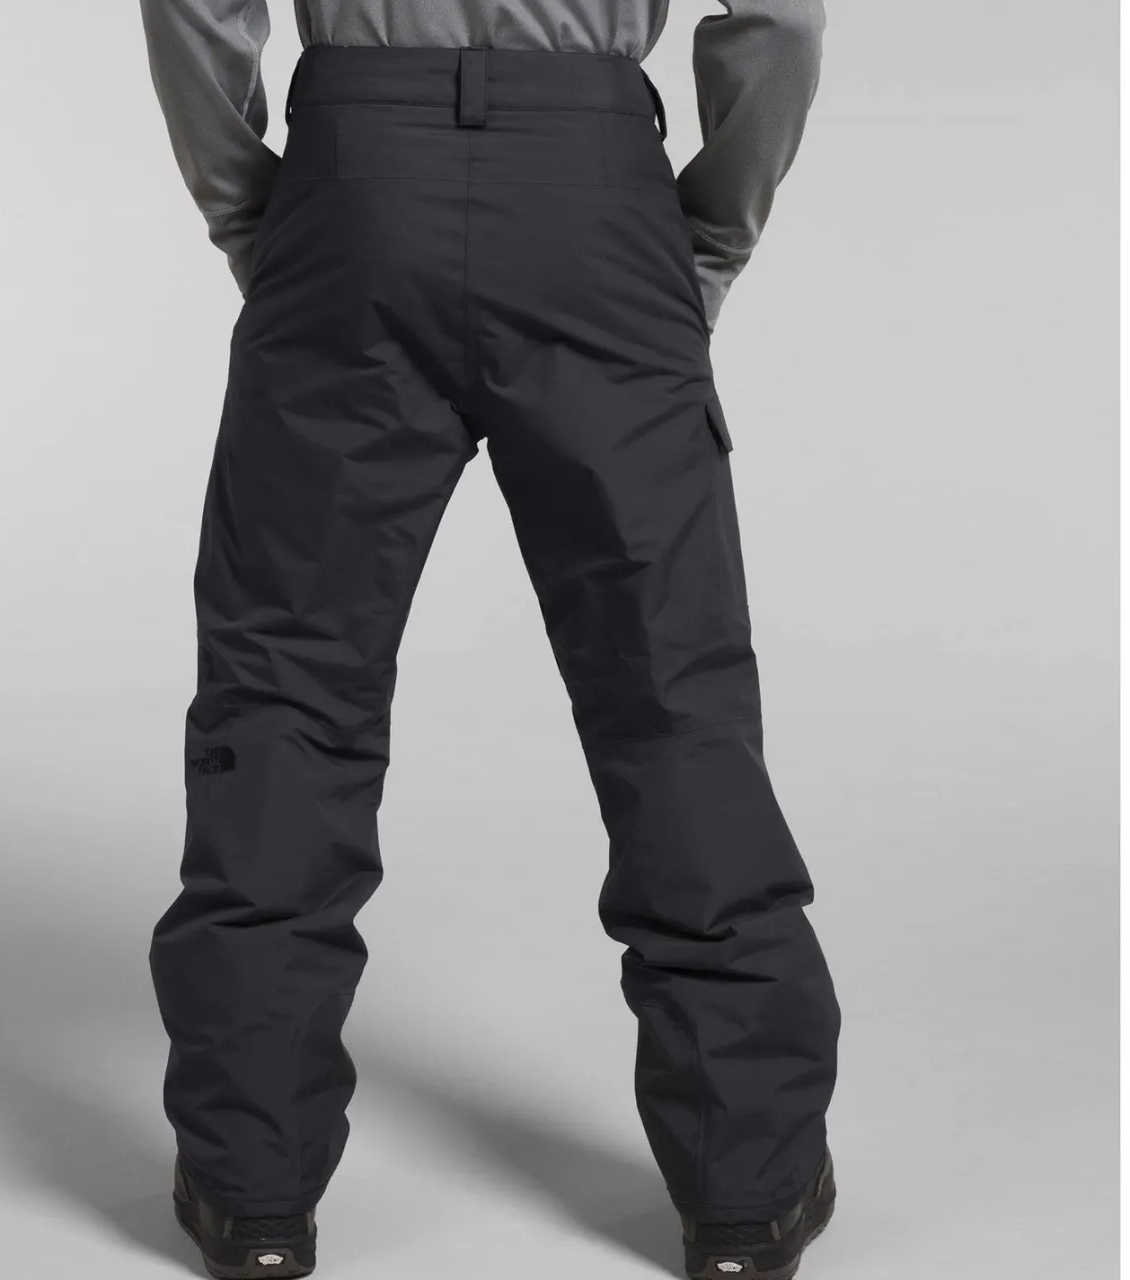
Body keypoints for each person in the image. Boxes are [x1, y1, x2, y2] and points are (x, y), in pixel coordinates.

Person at [139, 2, 840, 1277]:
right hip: (592, 196)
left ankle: (252, 1193)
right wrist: (704, 238)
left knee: (286, 692)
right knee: (667, 696)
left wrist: (259, 215)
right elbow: (778, 15)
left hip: (353, 183)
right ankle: (744, 1193)